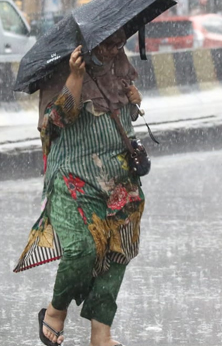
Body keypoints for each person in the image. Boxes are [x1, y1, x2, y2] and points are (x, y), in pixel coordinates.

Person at [14, 28, 145, 346]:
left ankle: (101, 334)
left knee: (118, 252)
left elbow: (127, 120)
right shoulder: (63, 71)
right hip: (74, 178)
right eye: (108, 44)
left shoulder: (119, 71)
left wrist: (133, 101)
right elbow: (55, 121)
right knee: (82, 250)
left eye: (120, 44)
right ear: (88, 45)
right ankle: (55, 313)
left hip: (119, 181)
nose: (115, 50)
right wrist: (75, 76)